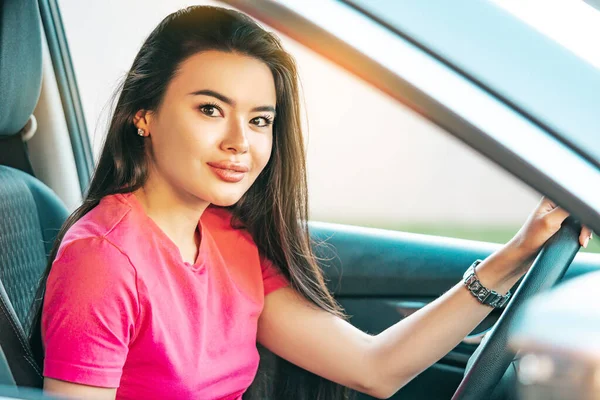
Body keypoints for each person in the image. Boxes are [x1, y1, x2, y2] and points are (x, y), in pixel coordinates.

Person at [28, 5, 593, 400]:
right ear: (143, 115)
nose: (239, 143)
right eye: (209, 109)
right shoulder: (103, 260)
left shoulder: (230, 240)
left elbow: (376, 368)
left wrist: (517, 254)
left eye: (259, 120)